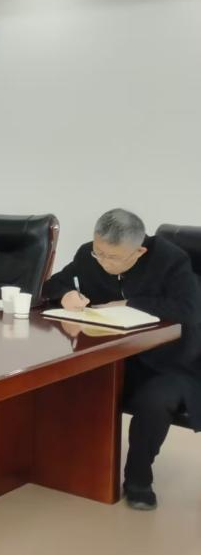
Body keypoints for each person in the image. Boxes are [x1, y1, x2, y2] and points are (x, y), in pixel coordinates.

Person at [41, 208, 201, 511]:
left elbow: (188, 310)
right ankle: (69, 465)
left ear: (139, 251)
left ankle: (138, 478)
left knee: (155, 400)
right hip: (116, 353)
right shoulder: (89, 254)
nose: (102, 261)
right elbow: (53, 284)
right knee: (66, 378)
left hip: (172, 360)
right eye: (98, 251)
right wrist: (66, 295)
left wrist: (130, 303)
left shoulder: (172, 260)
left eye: (112, 257)